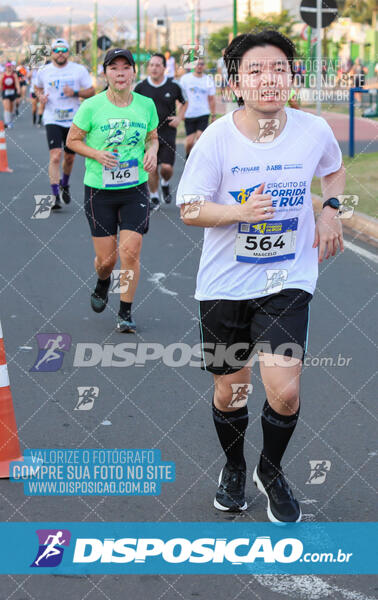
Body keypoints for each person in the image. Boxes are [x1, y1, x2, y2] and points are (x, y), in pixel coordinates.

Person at [176, 30, 345, 522]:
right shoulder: (217, 138)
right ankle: (234, 466)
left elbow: (332, 171)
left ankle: (270, 471)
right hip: (224, 285)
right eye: (254, 71)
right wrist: (239, 214)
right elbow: (189, 208)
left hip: (287, 281)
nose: (268, 78)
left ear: (292, 77)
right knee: (231, 389)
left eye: (278, 69)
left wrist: (331, 209)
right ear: (235, 83)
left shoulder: (313, 130)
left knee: (285, 390)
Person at [66, 48, 159, 333]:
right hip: (100, 191)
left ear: (133, 72)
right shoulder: (92, 106)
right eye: (114, 68)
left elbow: (152, 137)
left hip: (135, 187)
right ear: (105, 73)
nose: (120, 73)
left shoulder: (145, 104)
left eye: (125, 68)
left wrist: (152, 151)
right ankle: (103, 281)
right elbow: (72, 140)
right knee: (107, 260)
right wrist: (95, 154)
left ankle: (125, 312)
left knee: (130, 250)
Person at [34, 38, 95, 210]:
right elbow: (37, 88)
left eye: (64, 50)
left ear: (68, 52)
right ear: (52, 53)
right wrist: (41, 97)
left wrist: (75, 92)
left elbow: (91, 91)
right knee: (55, 155)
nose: (60, 53)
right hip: (52, 118)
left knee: (69, 158)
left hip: (74, 119)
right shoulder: (44, 71)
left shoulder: (78, 70)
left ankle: (65, 184)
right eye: (56, 50)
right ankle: (54, 196)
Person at [134, 53, 187, 210]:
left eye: (158, 65)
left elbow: (185, 102)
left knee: (166, 168)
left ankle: (165, 183)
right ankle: (155, 196)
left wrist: (179, 118)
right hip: (148, 135)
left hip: (168, 132)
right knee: (151, 166)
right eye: (151, 65)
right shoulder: (141, 87)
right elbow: (133, 107)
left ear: (164, 67)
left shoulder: (174, 85)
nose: (154, 68)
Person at [179, 57, 216, 158]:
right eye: (197, 64)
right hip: (189, 113)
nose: (199, 66)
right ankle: (188, 156)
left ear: (204, 66)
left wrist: (213, 115)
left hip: (203, 113)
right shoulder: (185, 79)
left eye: (202, 64)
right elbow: (180, 97)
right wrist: (180, 112)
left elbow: (212, 99)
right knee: (189, 142)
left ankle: (197, 159)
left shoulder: (208, 80)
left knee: (200, 138)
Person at [1, 62, 20, 128]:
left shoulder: (14, 75)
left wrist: (18, 90)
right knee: (7, 107)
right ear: (6, 68)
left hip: (12, 92)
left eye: (10, 67)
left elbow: (17, 83)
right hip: (5, 92)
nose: (9, 68)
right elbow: (0, 84)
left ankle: (10, 121)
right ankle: (7, 122)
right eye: (7, 67)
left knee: (11, 108)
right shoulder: (3, 75)